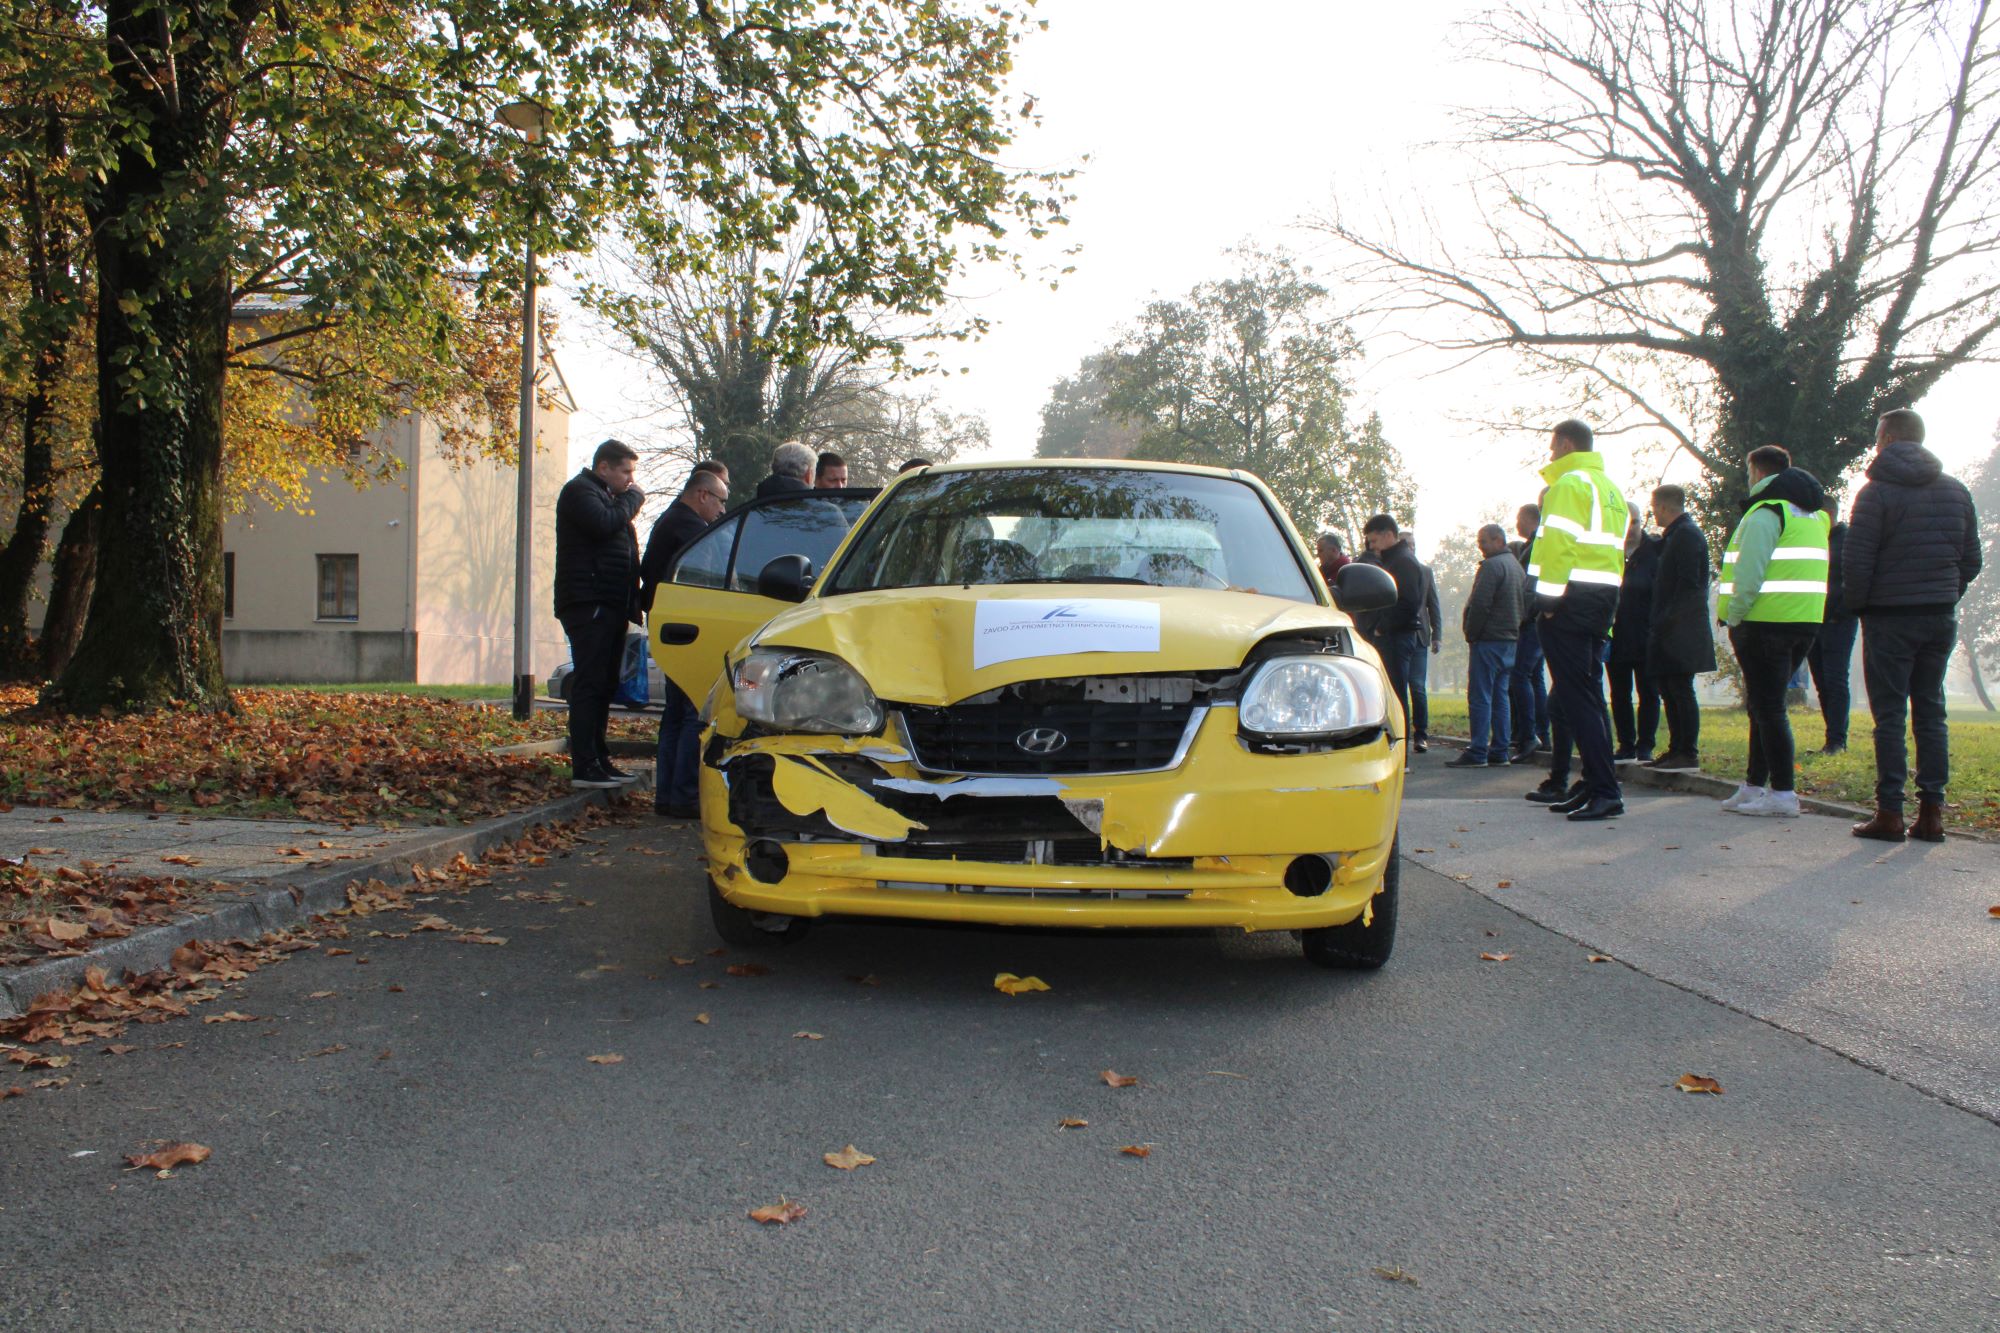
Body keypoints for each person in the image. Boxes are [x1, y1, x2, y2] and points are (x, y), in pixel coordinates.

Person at [1842, 408, 1982, 843]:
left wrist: (1860, 606)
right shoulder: (1956, 491)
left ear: (1885, 439)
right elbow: (1971, 560)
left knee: (1889, 717)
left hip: (1889, 617)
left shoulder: (1875, 492)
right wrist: (1943, 593)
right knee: (1931, 713)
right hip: (1938, 616)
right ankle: (1932, 814)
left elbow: (1858, 561)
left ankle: (1889, 813)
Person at [1716, 445, 1830, 819]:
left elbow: (1749, 574)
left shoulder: (1767, 512)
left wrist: (1734, 616)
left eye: (1749, 472)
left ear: (1756, 471)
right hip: (1803, 620)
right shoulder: (1813, 517)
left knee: (1768, 707)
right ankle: (1754, 785)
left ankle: (1782, 792)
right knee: (1764, 706)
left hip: (1764, 623)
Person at [1526, 419, 1628, 821]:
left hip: (1569, 601)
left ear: (1566, 444)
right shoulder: (1608, 488)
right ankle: (1593, 783)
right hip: (1599, 599)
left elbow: (1559, 546)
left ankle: (1604, 788)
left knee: (1577, 698)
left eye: (1553, 447)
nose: (1550, 455)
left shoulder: (1569, 485)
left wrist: (1548, 599)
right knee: (1588, 697)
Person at [555, 439, 647, 790]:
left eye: (632, 473)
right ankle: (585, 764)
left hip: (609, 604)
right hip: (587, 602)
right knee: (591, 683)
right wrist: (633, 499)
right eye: (625, 471)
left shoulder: (606, 497)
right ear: (603, 467)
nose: (630, 479)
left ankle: (599, 757)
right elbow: (603, 525)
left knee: (605, 684)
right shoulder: (580, 492)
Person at [639, 468, 731, 818]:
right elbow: (706, 580)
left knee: (676, 714)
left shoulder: (669, 522)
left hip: (670, 627)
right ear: (702, 495)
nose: (722, 510)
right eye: (720, 501)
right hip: (691, 629)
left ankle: (669, 795)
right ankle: (685, 795)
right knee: (695, 711)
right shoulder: (693, 531)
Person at [1643, 484, 1714, 772]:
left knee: (1680, 689)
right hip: (1671, 627)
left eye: (1654, 507)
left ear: (1663, 506)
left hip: (1680, 629)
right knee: (1669, 689)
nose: (1653, 513)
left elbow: (1689, 585)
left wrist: (1667, 620)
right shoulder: (1676, 535)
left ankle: (1687, 750)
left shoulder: (1686, 535)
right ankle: (1676, 749)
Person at [1448, 523, 1525, 769]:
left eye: (1484, 541)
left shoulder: (1492, 567)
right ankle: (1500, 750)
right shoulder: (1516, 567)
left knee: (1481, 695)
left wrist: (1472, 632)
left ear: (1498, 540)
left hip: (1488, 639)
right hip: (1510, 639)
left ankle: (1478, 749)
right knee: (1500, 695)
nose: (1480, 547)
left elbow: (1481, 604)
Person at [1358, 514, 1428, 763]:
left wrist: (1382, 628)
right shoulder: (1394, 560)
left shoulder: (1403, 563)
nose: (1372, 546)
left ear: (1389, 534)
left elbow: (1408, 603)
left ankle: (1402, 757)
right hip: (1392, 635)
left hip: (1398, 637)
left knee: (1397, 694)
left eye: (1375, 540)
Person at [1608, 501, 1662, 762]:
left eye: (1636, 522)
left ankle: (1646, 745)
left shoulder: (1655, 550)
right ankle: (1626, 743)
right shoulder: (1609, 552)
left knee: (1649, 691)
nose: (1630, 529)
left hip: (1646, 633)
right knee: (1619, 692)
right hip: (1616, 633)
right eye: (1625, 523)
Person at [1806, 514, 1856, 755]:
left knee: (1836, 679)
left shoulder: (1847, 541)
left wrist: (1840, 611)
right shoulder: (1813, 539)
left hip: (1838, 621)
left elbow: (1854, 579)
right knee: (1821, 682)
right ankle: (1831, 738)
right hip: (1813, 619)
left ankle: (1838, 740)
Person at [1507, 503, 1550, 761]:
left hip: (1530, 620)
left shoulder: (1535, 548)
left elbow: (1530, 587)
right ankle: (1542, 733)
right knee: (1535, 677)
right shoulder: (1533, 545)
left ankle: (1528, 735)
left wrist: (1523, 615)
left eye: (1518, 518)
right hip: (1537, 619)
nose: (1516, 524)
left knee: (1520, 674)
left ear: (1528, 518)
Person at [1409, 542, 1442, 752]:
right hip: (1393, 637)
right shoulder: (1388, 570)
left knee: (1418, 687)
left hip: (1420, 637)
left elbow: (1433, 605)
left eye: (1412, 545)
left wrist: (1437, 635)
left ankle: (1421, 734)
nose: (1409, 549)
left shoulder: (1425, 572)